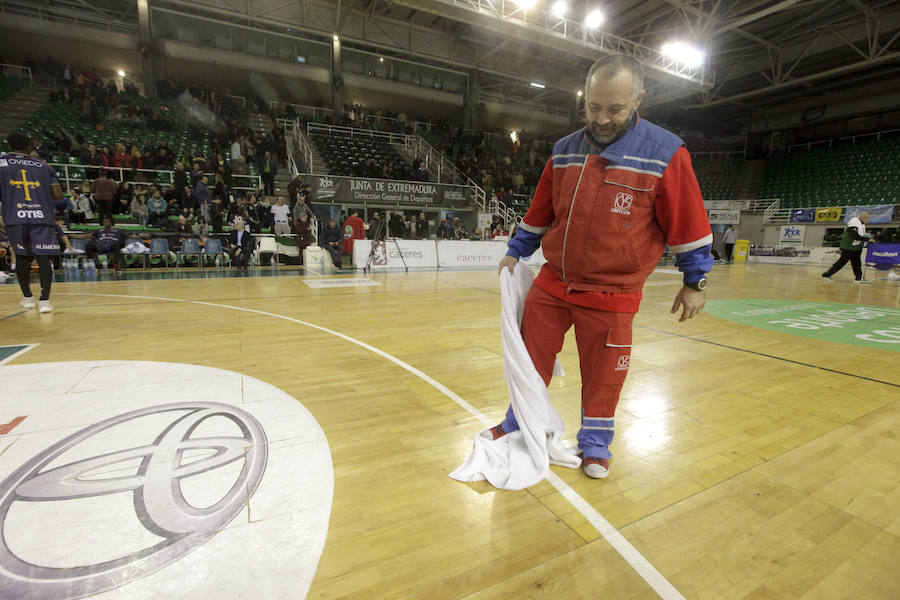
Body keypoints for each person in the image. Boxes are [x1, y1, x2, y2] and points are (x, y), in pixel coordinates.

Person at [489, 55, 713, 480]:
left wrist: (694, 280)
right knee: (527, 359)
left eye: (615, 109)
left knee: (604, 376)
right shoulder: (564, 150)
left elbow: (688, 220)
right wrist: (516, 249)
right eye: (594, 108)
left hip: (614, 293)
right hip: (554, 284)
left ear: (639, 99)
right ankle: (519, 422)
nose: (603, 118)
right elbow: (540, 211)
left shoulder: (666, 153)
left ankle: (595, 444)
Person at [0, 134, 64, 312]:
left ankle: (27, 297)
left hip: (14, 215)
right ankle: (45, 301)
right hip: (41, 216)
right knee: (43, 258)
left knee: (21, 257)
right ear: (29, 146)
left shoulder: (2, 163)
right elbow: (58, 196)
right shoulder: (44, 166)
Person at [822, 211, 870, 283]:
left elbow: (862, 235)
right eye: (866, 218)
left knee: (857, 263)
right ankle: (826, 275)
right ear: (862, 216)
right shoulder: (854, 221)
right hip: (849, 246)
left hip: (856, 247)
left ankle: (858, 278)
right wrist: (867, 239)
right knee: (842, 262)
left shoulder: (862, 224)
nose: (867, 219)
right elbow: (854, 235)